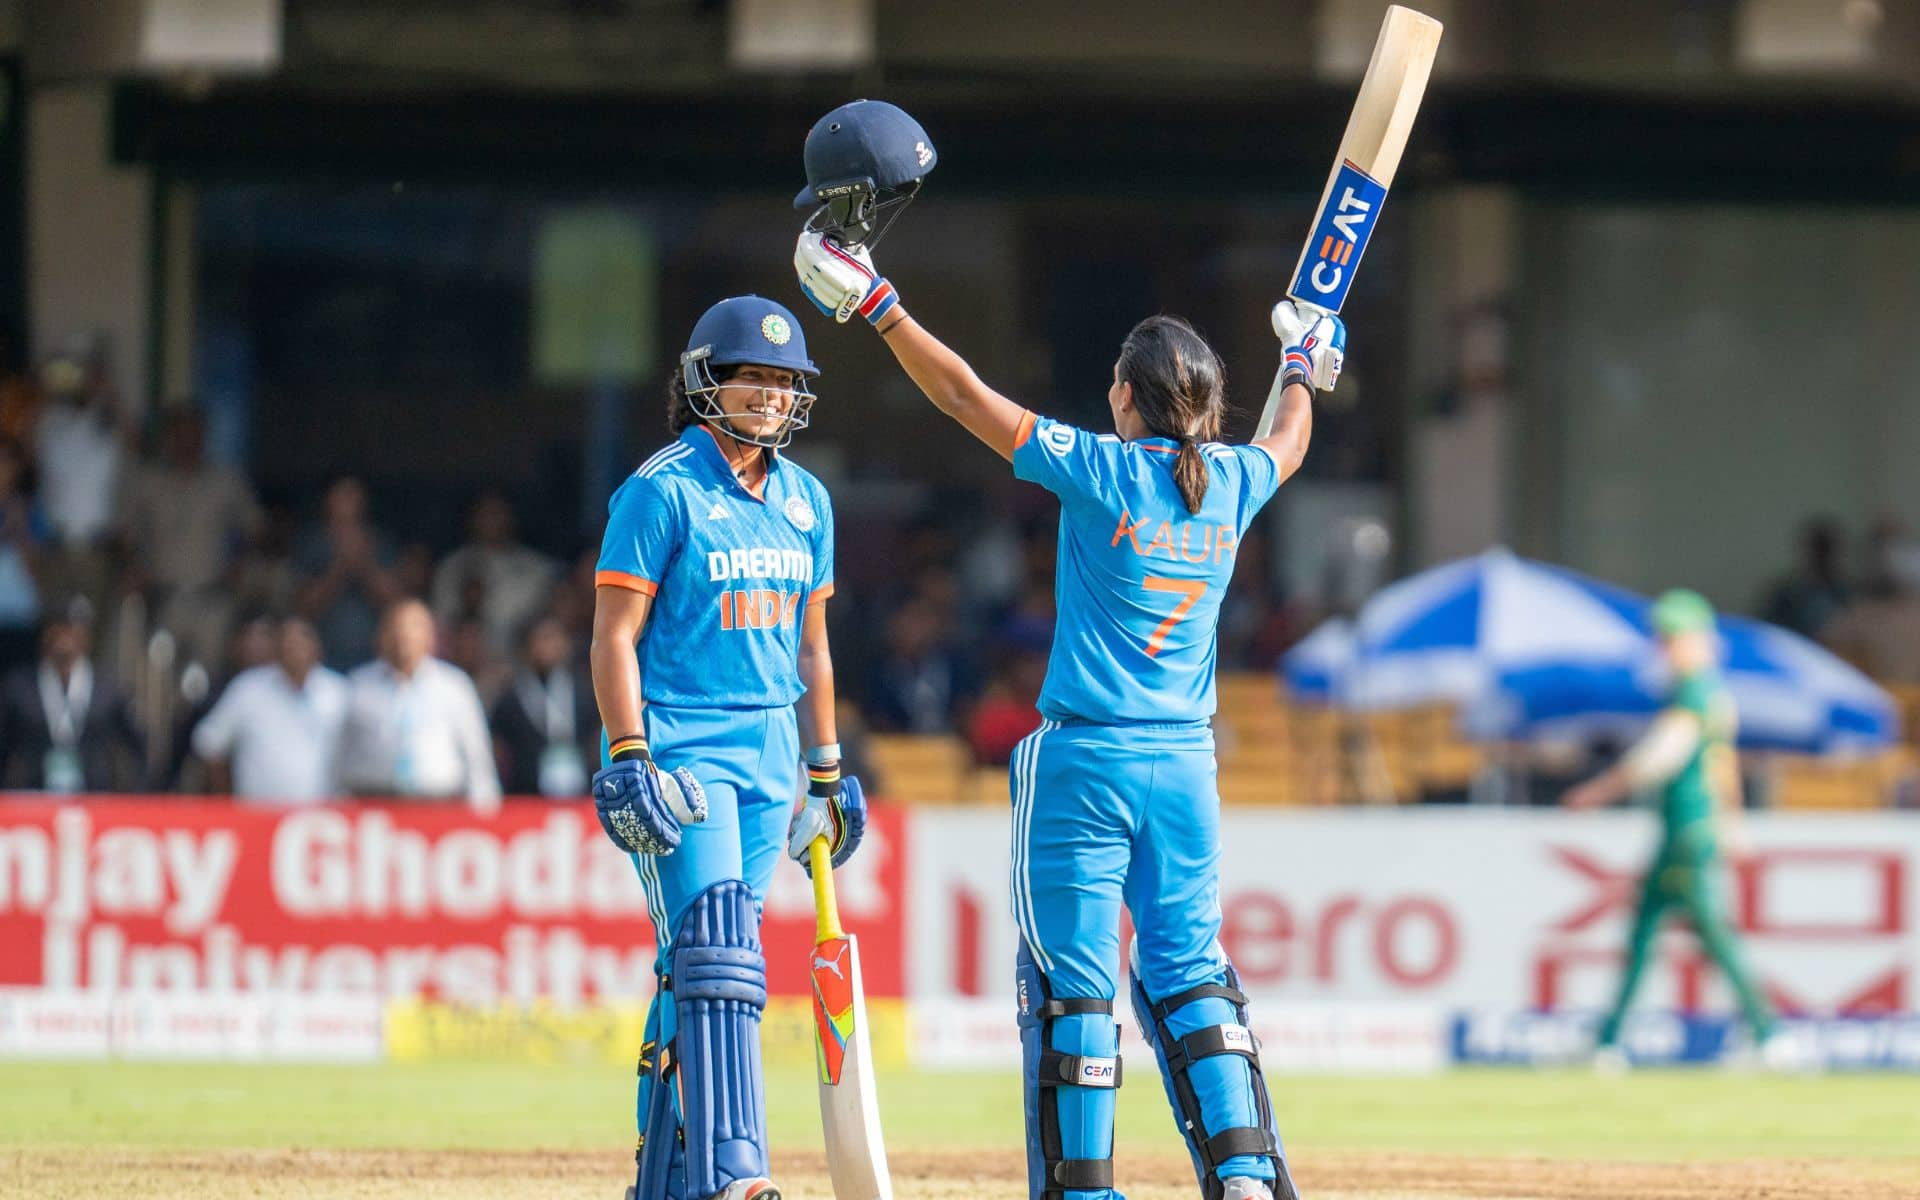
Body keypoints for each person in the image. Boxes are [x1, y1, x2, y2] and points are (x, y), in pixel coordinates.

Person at [796, 199, 1336, 1200]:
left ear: (1124, 397)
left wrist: (876, 300)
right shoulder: (1231, 481)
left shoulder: (1101, 470)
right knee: (1188, 973)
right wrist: (1306, 358)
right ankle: (1250, 1179)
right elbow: (1292, 439)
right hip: (1185, 767)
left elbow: (964, 396)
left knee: (1072, 991)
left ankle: (1083, 1191)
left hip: (1084, 764)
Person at [588, 295, 865, 1200]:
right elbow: (613, 636)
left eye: (788, 384)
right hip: (681, 749)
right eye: (757, 379)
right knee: (715, 955)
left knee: (709, 971)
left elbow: (814, 648)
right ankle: (734, 1174)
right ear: (706, 381)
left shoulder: (807, 501)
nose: (775, 398)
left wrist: (824, 771)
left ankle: (664, 1181)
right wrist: (631, 754)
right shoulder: (661, 489)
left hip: (769, 754)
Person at [1565, 589, 1777, 1068]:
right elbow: (1723, 766)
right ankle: (1608, 1041)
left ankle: (1768, 1033)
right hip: (1686, 830)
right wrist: (1734, 823)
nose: (1662, 646)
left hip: (1688, 831)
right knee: (1648, 933)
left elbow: (1662, 756)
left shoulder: (1694, 691)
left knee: (1706, 935)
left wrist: (1598, 791)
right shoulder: (1708, 690)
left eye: (1671, 636)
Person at [117, 407, 264, 668]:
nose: (186, 439)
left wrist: (239, 567)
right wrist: (135, 568)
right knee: (158, 683)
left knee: (209, 679)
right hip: (163, 600)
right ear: (168, 436)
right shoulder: (149, 482)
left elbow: (256, 531)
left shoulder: (225, 481)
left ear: (203, 434)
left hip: (213, 599)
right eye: (178, 432)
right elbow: (126, 535)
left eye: (192, 432)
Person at [333, 598, 500, 814]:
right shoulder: (358, 686)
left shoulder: (454, 686)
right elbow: (339, 753)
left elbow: (476, 754)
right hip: (373, 807)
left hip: (437, 806)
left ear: (431, 637)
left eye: (413, 627)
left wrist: (486, 811)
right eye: (396, 628)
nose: (403, 636)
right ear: (380, 636)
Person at [190, 617, 347, 804]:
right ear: (277, 650)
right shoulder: (249, 688)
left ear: (317, 648)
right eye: (287, 644)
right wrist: (226, 801)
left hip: (327, 819)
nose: (294, 650)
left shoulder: (339, 693)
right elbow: (210, 744)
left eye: (301, 643)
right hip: (257, 815)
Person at [0, 601, 145, 791]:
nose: (64, 636)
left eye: (72, 628)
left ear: (86, 635)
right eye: (57, 628)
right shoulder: (19, 687)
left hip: (95, 800)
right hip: (33, 801)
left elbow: (138, 744)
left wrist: (138, 794)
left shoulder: (109, 688)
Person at [432, 492, 559, 656]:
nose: (492, 521)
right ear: (472, 519)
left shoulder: (535, 568)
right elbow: (441, 620)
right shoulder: (452, 566)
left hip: (517, 663)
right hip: (458, 660)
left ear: (511, 517)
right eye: (485, 514)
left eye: (498, 514)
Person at [294, 477, 398, 670]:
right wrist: (339, 568)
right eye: (341, 495)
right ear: (327, 500)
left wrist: (364, 564)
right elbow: (303, 606)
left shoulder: (379, 542)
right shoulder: (312, 543)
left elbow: (394, 602)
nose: (347, 504)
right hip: (321, 659)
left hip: (373, 658)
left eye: (352, 495)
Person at [491, 614, 600, 797]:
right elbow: (499, 747)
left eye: (555, 639)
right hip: (526, 794)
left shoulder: (583, 691)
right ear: (527, 646)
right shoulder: (510, 698)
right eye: (543, 639)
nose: (549, 648)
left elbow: (596, 737)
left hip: (580, 791)